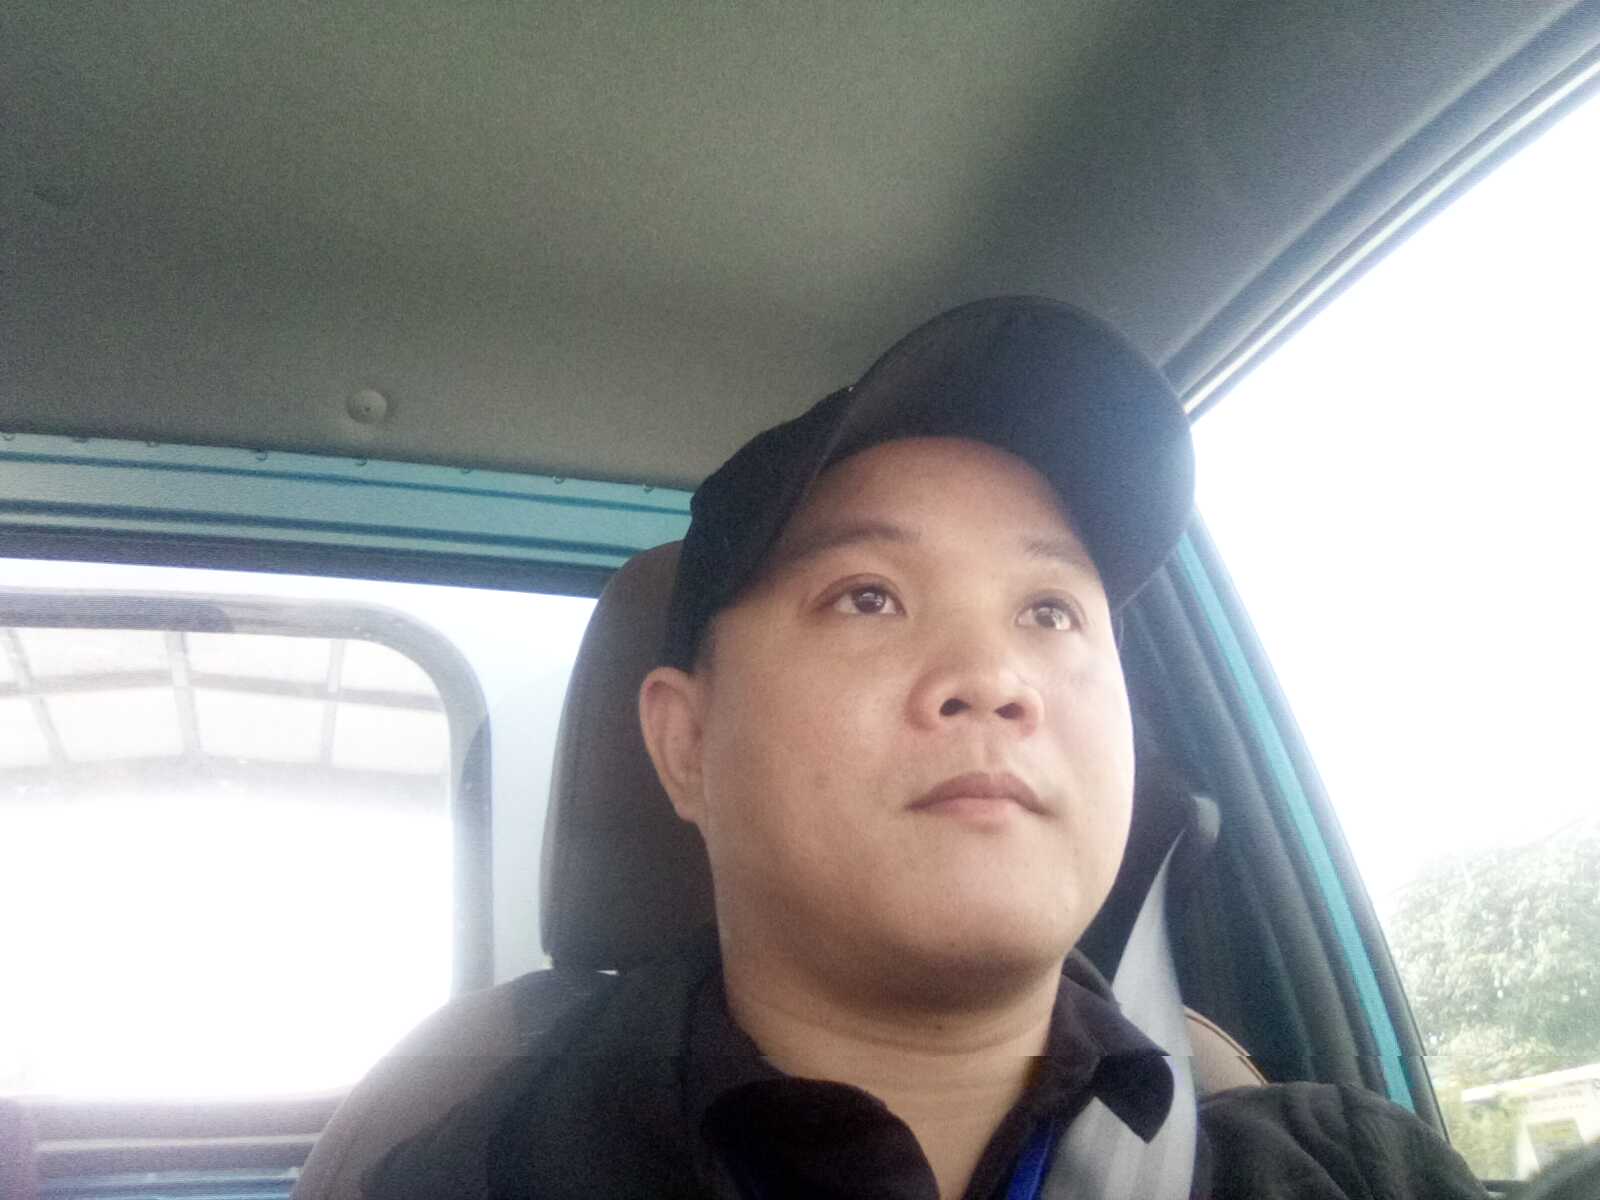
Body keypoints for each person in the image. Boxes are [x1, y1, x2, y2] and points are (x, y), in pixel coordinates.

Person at [364, 297, 1485, 1198]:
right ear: (686, 741)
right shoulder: (471, 1174)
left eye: (1049, 611)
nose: (993, 678)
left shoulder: (1350, 1170)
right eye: (868, 596)